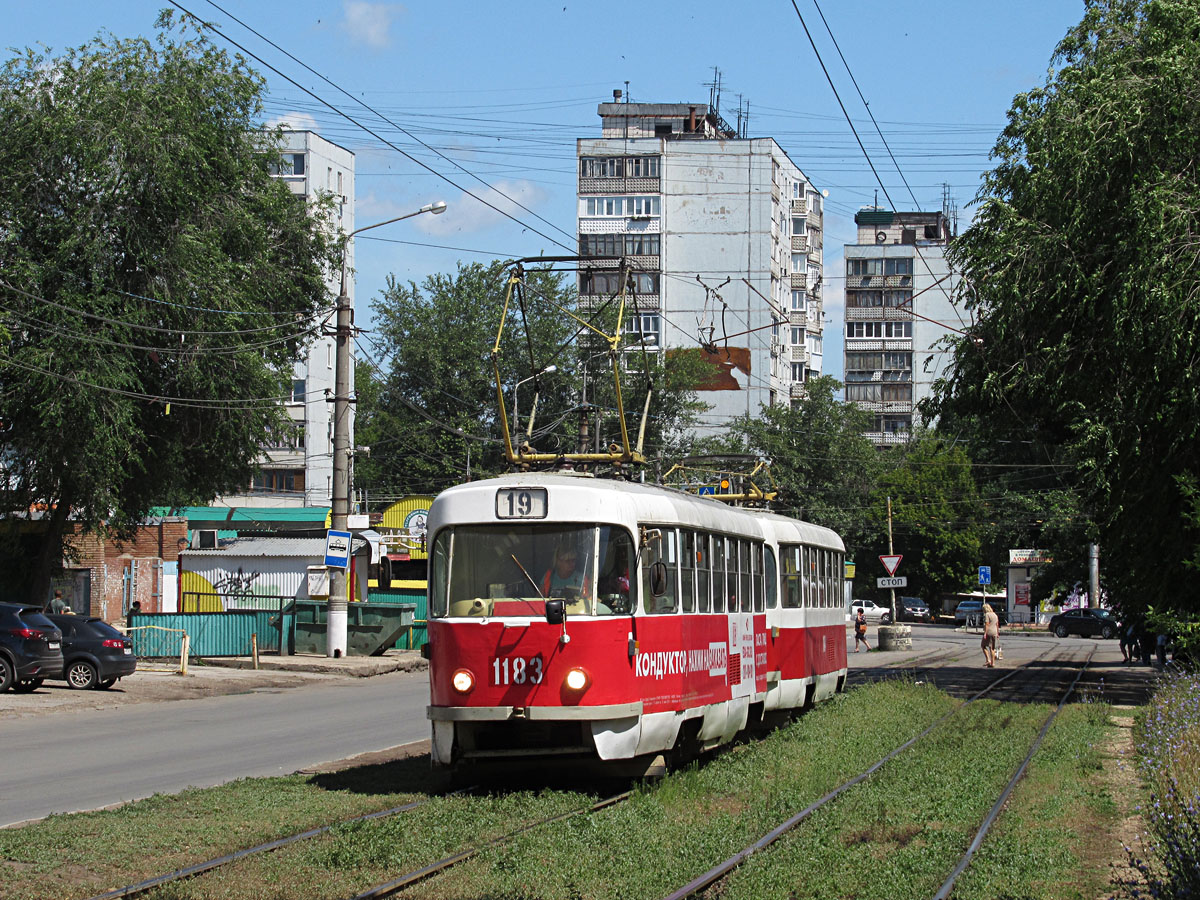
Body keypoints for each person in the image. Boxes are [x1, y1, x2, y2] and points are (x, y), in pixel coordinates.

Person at [981, 602, 1000, 667]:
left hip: (989, 632)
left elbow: (987, 624)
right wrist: (997, 633)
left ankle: (988, 660)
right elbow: (997, 625)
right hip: (994, 632)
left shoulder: (987, 614)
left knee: (983, 646)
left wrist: (985, 633)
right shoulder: (995, 615)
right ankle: (993, 663)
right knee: (992, 648)